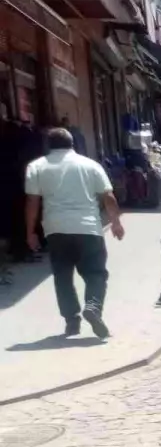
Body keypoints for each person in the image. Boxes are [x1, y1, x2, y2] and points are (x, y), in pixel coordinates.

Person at [24, 127, 125, 338]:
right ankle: (93, 306)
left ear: (47, 145)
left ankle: (72, 321)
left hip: (55, 229)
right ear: (73, 143)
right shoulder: (90, 165)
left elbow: (32, 202)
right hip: (88, 227)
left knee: (62, 276)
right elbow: (109, 197)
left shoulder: (36, 167)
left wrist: (30, 232)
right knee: (95, 273)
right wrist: (116, 223)